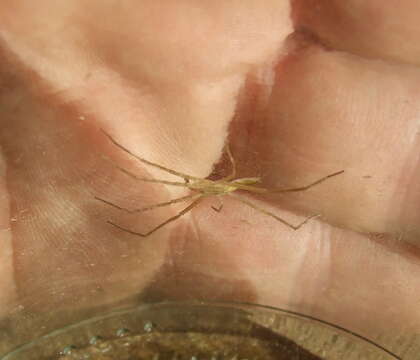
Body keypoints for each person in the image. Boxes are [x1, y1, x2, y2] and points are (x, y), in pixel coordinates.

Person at [0, 1, 418, 354]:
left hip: (222, 186)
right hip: (206, 186)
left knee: (275, 194)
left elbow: (244, 179)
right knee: (161, 204)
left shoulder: (227, 182)